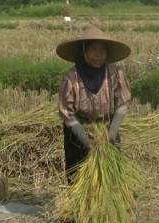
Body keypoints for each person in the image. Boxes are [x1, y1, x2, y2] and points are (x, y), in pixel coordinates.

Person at [56, 27, 132, 186]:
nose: (99, 54)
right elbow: (68, 115)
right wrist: (86, 142)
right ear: (83, 51)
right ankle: (80, 209)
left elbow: (122, 103)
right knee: (80, 179)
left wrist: (111, 135)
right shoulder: (71, 79)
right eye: (94, 49)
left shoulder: (114, 73)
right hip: (78, 133)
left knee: (112, 176)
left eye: (103, 50)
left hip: (107, 128)